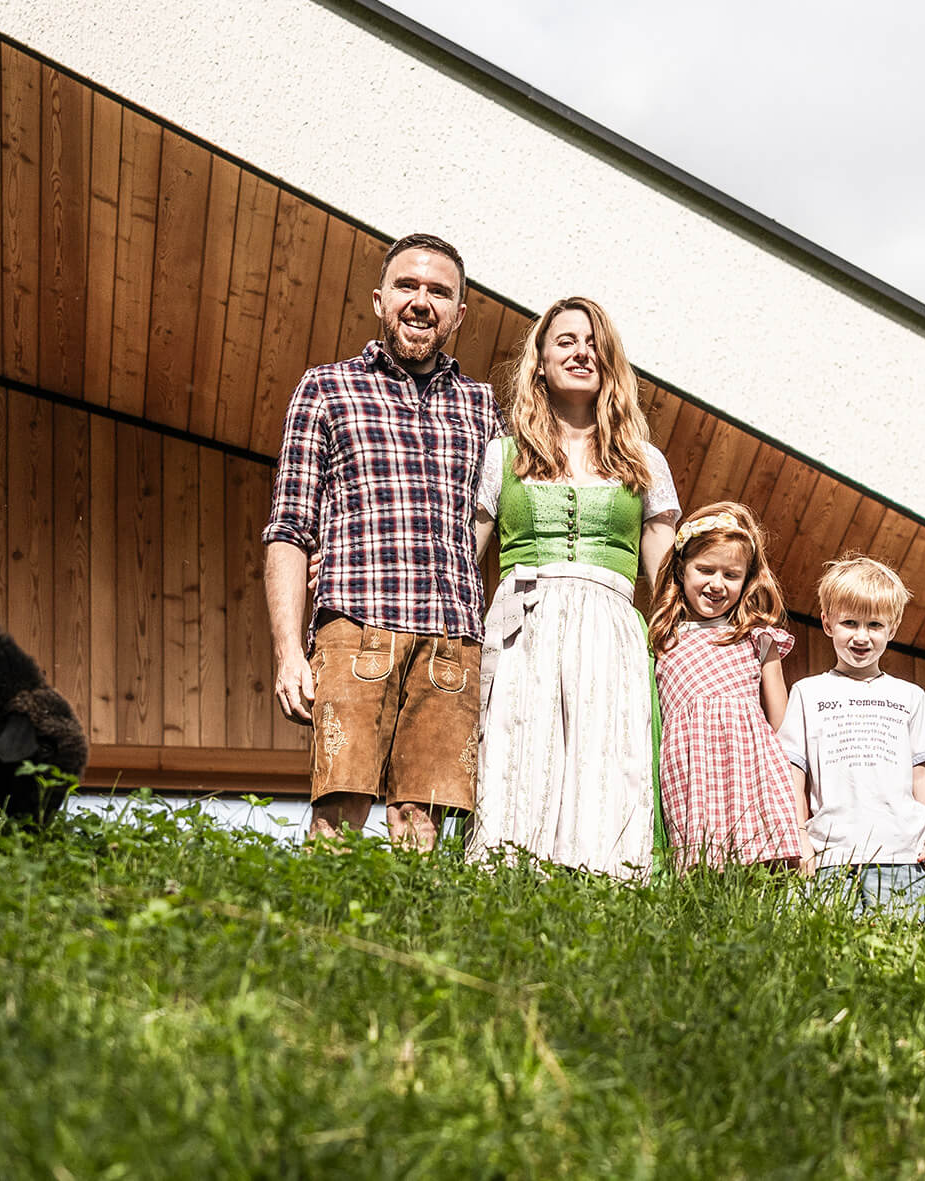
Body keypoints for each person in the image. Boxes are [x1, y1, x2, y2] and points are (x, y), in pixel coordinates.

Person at [262, 233, 499, 851]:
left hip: (452, 639)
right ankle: (322, 942)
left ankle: (411, 946)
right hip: (354, 629)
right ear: (379, 299)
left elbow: (494, 516)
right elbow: (289, 528)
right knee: (336, 815)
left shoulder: (484, 407)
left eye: (439, 291)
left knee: (422, 828)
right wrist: (290, 653)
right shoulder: (325, 389)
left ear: (460, 313)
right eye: (407, 286)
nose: (422, 301)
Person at [467, 296, 679, 878]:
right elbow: (464, 562)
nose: (581, 352)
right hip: (522, 626)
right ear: (538, 361)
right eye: (565, 341)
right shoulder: (502, 455)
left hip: (610, 628)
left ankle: (602, 899)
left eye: (593, 343)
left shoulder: (643, 460)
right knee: (517, 760)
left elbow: (666, 578)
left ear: (610, 362)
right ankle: (505, 893)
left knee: (605, 763)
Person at [778, 554, 925, 917]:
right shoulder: (807, 693)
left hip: (902, 855)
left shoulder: (911, 697)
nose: (861, 636)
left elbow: (922, 773)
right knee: (830, 958)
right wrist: (799, 836)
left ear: (893, 628)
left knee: (903, 956)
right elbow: (795, 772)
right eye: (849, 623)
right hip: (829, 855)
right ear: (826, 623)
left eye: (874, 625)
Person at [649, 502, 804, 869]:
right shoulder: (662, 640)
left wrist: (799, 806)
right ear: (681, 570)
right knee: (702, 874)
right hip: (693, 772)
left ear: (747, 580)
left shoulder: (756, 637)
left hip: (754, 770)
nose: (717, 584)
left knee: (763, 875)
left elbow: (782, 725)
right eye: (705, 570)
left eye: (731, 575)